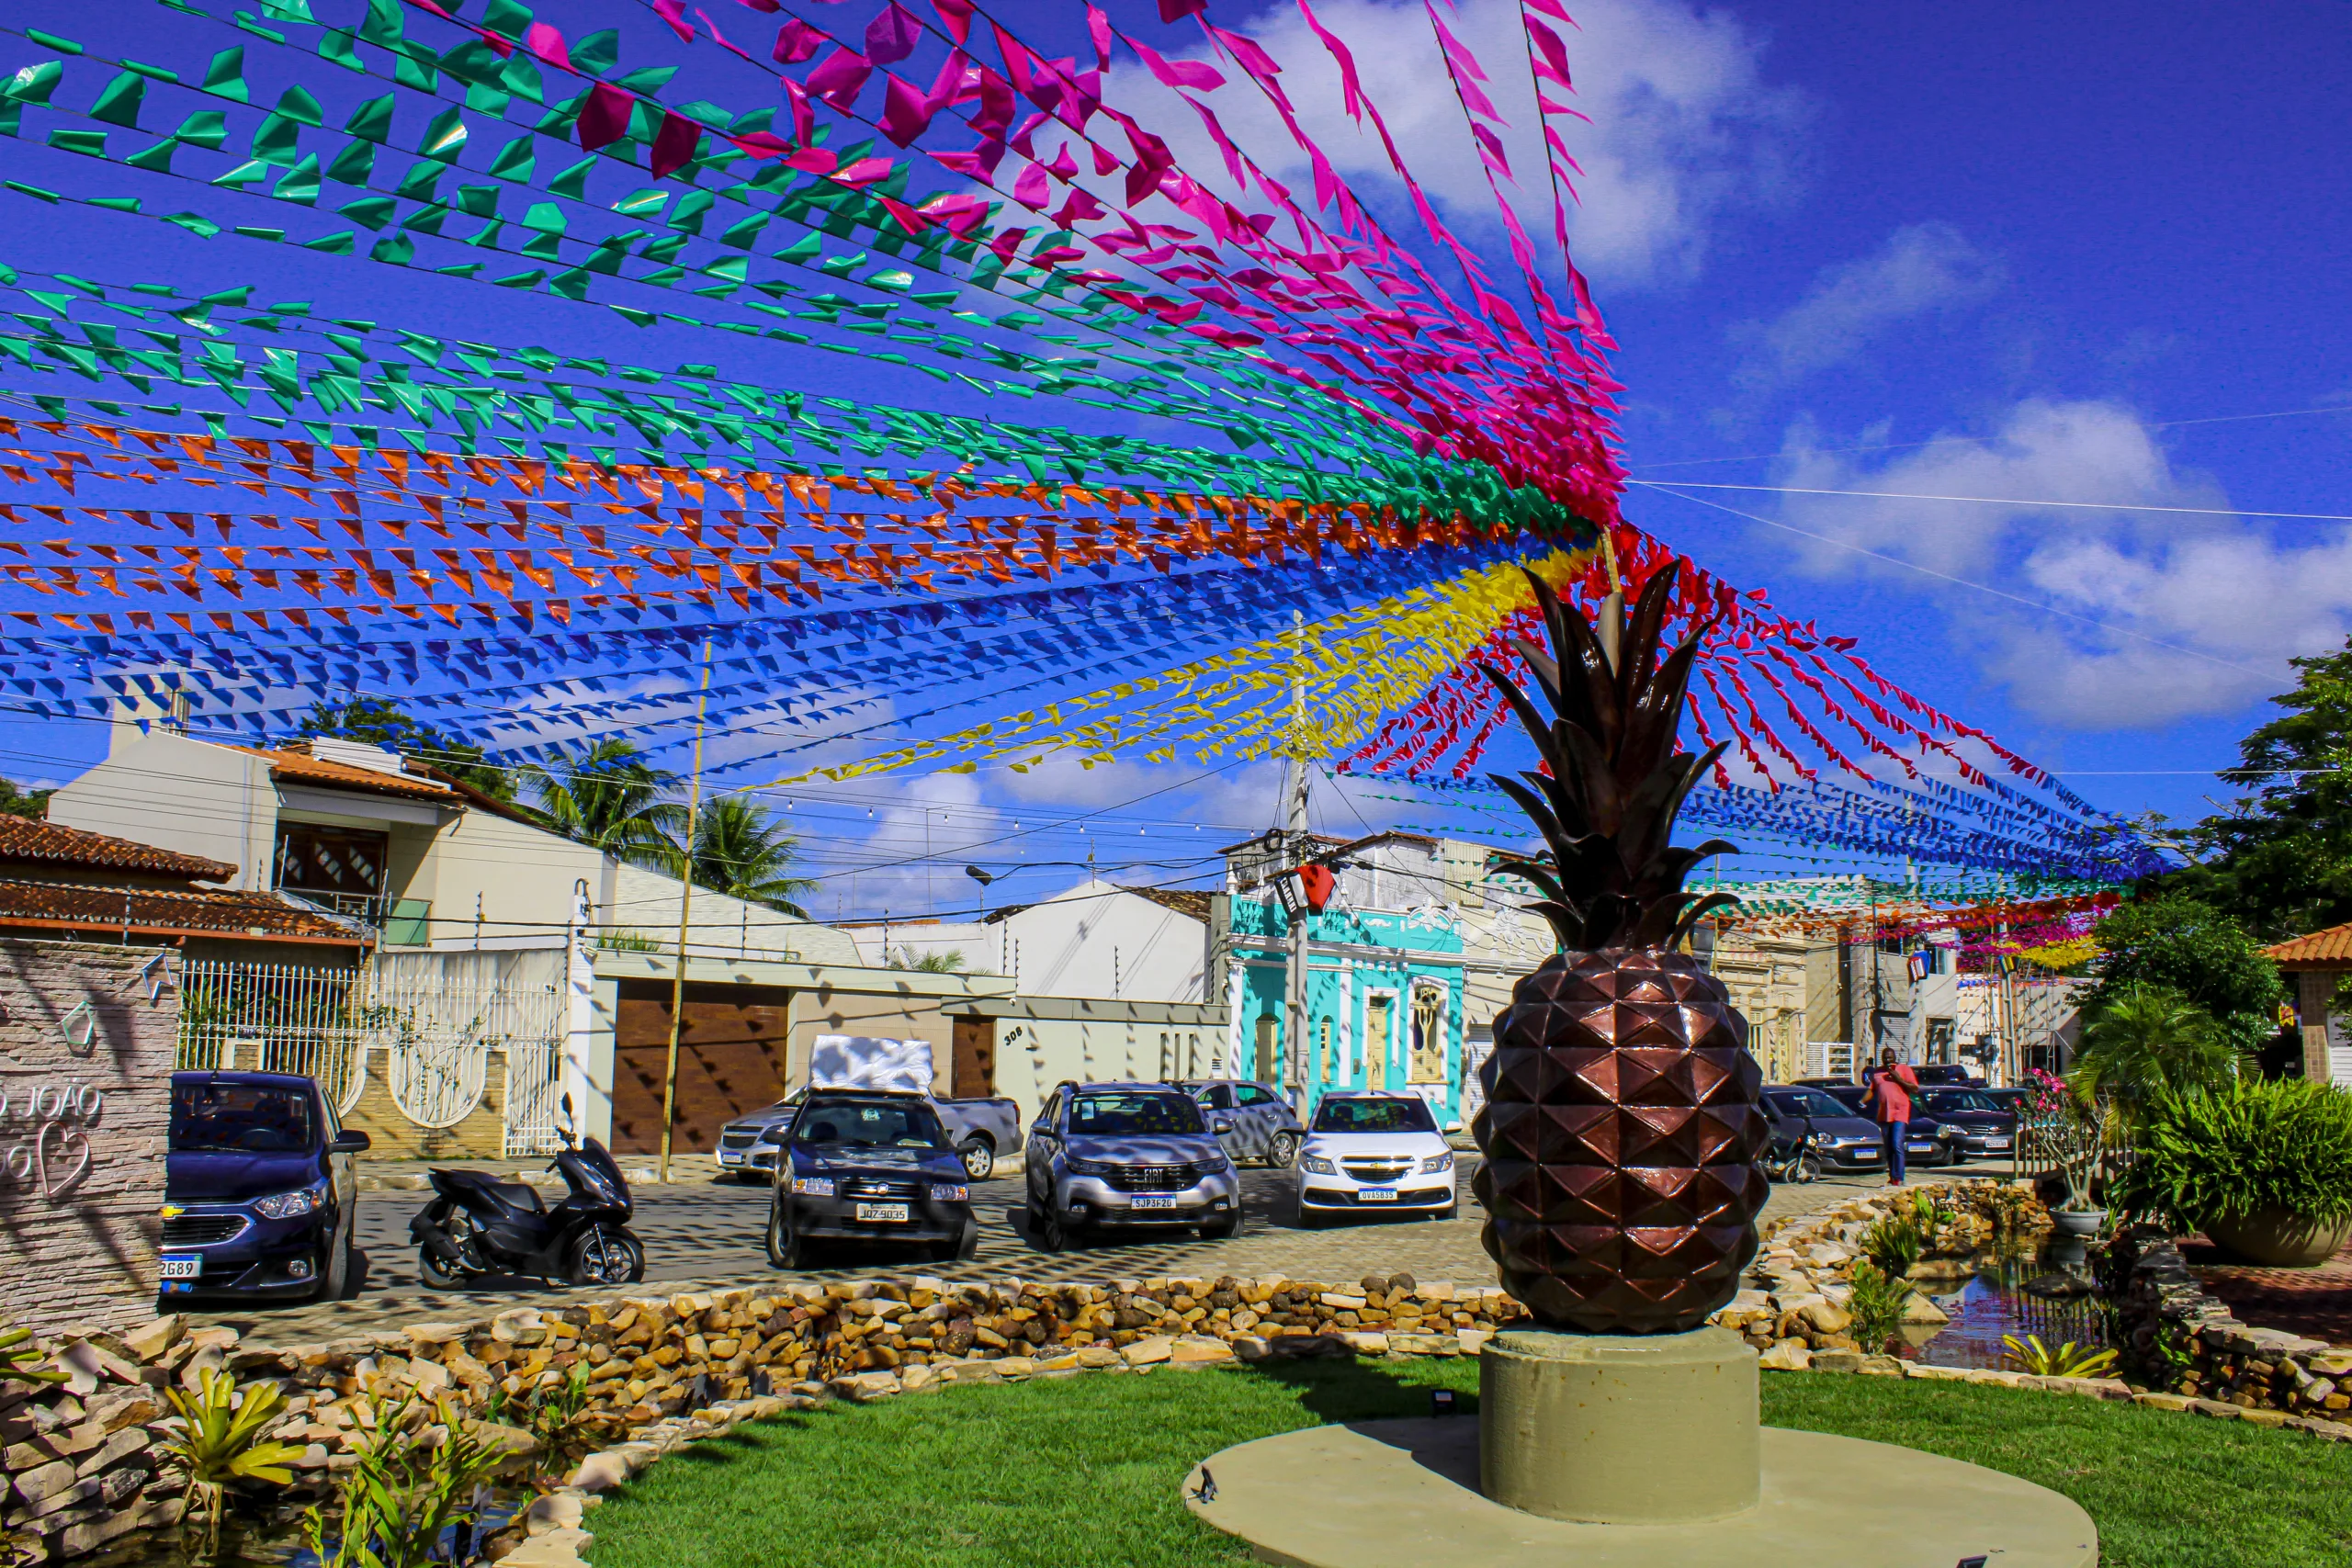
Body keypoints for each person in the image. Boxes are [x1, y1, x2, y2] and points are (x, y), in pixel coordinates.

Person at [1864, 1048, 1918, 1186]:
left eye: (1890, 1058)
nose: (1888, 1061)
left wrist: (1898, 1079)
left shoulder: (1904, 1069)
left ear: (1895, 1057)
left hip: (1900, 1111)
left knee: (1896, 1144)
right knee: (1888, 1147)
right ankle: (1892, 1176)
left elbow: (1915, 1089)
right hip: (1884, 1113)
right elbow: (1872, 1090)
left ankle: (1899, 1177)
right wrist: (1862, 1101)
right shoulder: (1877, 1073)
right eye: (1885, 1058)